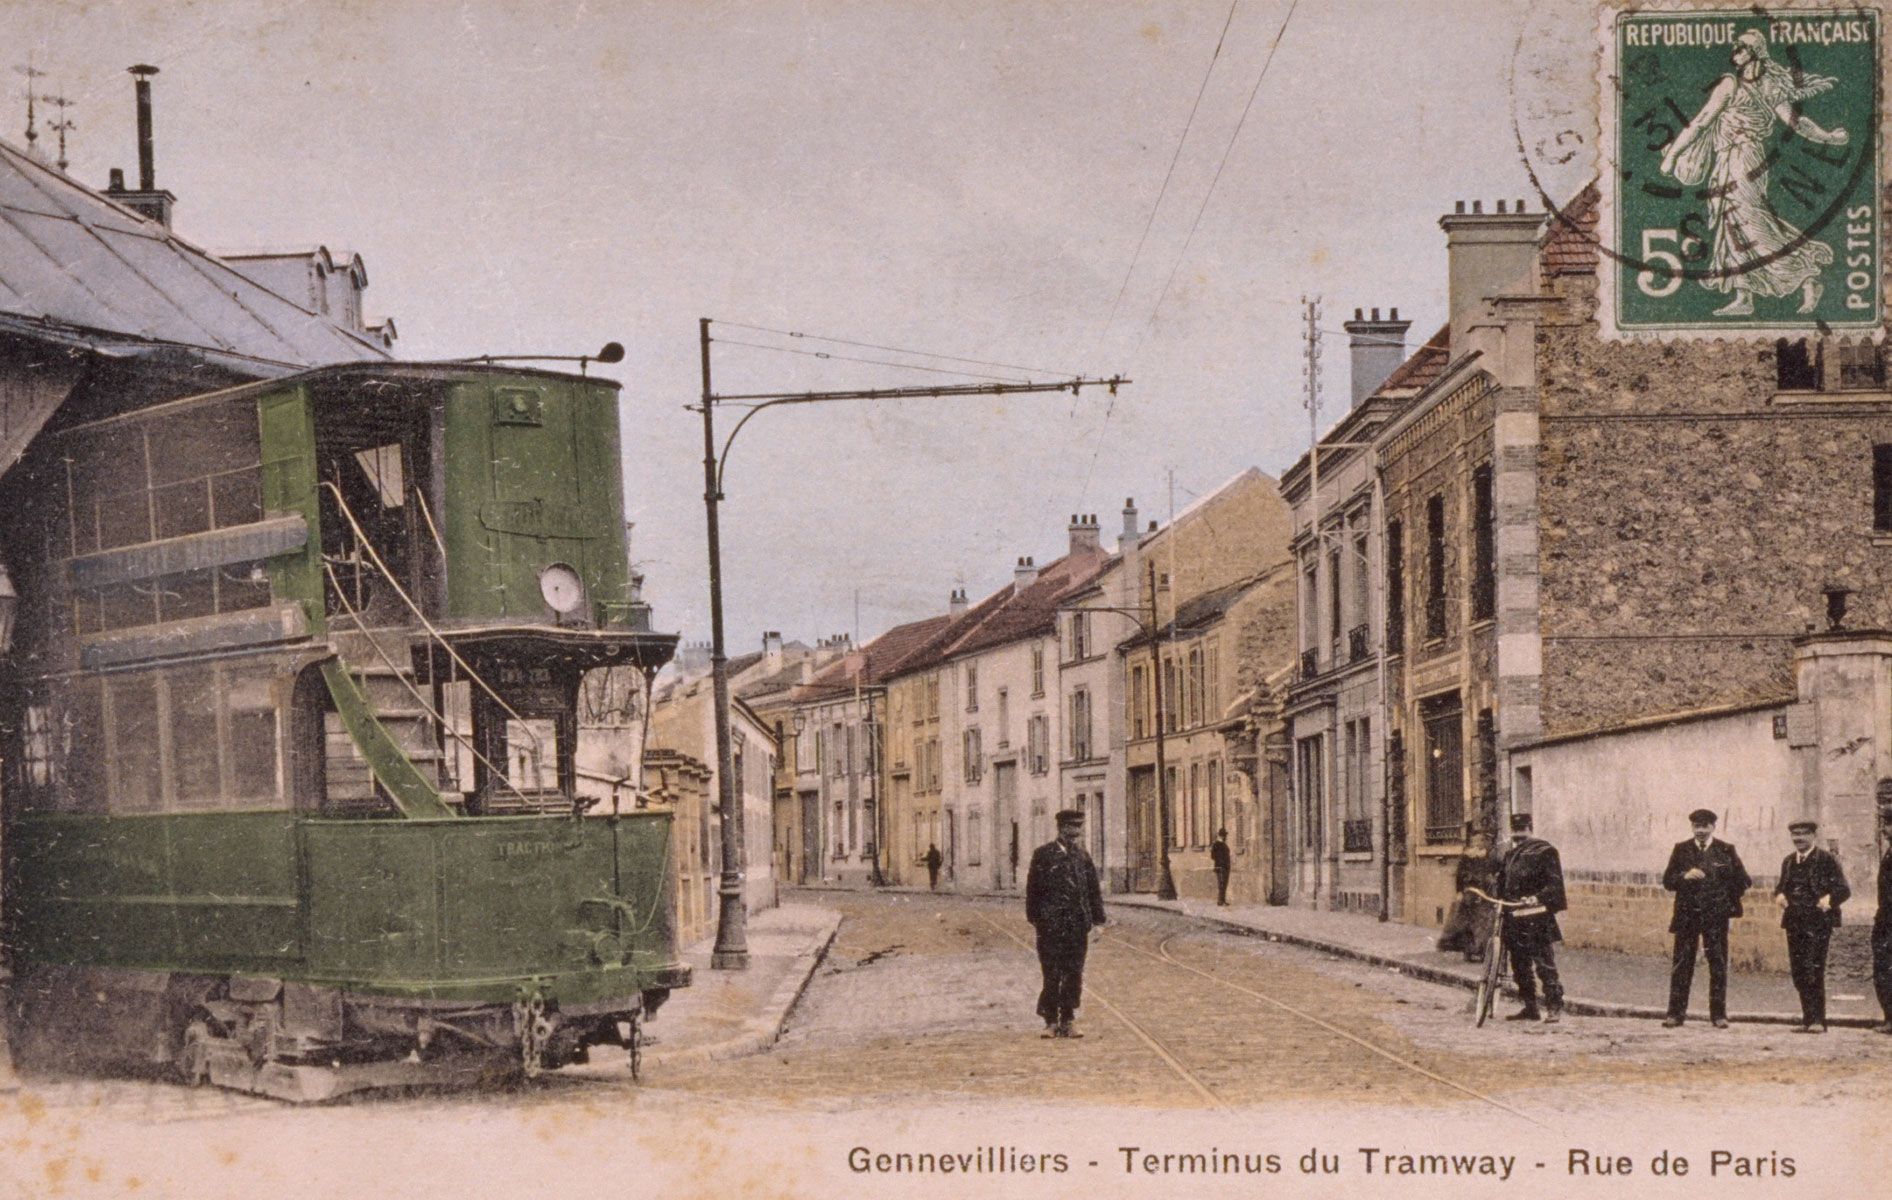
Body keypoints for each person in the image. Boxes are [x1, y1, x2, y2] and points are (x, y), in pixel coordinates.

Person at [1658, 29, 1848, 316]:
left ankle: (1807, 277)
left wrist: (1829, 137)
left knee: (1750, 220)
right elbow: (1701, 123)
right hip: (1726, 160)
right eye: (1735, 48)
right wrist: (1673, 154)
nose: (1735, 52)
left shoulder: (1762, 86)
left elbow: (1797, 122)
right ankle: (1744, 296)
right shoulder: (1729, 83)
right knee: (1730, 223)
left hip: (1745, 160)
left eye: (1741, 47)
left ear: (1755, 52)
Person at [1660, 808, 1752, 1029]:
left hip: (1715, 918)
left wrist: (1723, 898)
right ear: (1692, 827)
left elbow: (1744, 881)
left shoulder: (1726, 850)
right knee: (1682, 964)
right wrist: (1684, 876)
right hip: (1687, 916)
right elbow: (1667, 881)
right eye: (1696, 826)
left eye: (1705, 826)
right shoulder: (1681, 849)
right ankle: (1675, 1014)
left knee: (1718, 964)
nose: (1700, 831)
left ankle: (1719, 1016)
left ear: (1713, 827)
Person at [1025, 808, 1105, 1038]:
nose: (1076, 832)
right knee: (1051, 972)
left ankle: (1068, 1020)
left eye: (1079, 827)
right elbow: (1033, 891)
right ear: (1061, 828)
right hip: (1050, 926)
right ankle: (1050, 1021)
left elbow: (1093, 891)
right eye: (1071, 827)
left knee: (1073, 972)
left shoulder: (1083, 856)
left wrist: (1098, 920)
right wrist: (1038, 919)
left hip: (1077, 926)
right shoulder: (1043, 855)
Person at [1774, 819, 1850, 1033]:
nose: (1798, 838)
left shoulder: (1826, 860)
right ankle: (1807, 1019)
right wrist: (1779, 895)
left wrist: (1827, 902)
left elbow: (1843, 890)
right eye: (1795, 834)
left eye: (1803, 833)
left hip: (1817, 923)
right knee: (1798, 971)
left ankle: (1818, 1020)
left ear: (1813, 836)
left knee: (1813, 969)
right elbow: (1781, 886)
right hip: (1794, 923)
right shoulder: (1788, 861)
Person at [1496, 811, 1567, 1023]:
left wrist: (1537, 898)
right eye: (1515, 835)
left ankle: (1554, 1006)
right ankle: (1530, 1007)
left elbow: (1555, 885)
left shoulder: (1545, 851)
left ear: (1530, 829)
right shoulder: (1509, 856)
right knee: (1519, 966)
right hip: (1514, 918)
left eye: (1522, 834)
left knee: (1544, 965)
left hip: (1537, 918)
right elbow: (1502, 884)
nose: (1518, 839)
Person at [1439, 827, 1499, 963]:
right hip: (1469, 893)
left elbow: (1495, 871)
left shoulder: (1489, 856)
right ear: (1471, 842)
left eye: (1480, 840)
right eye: (1475, 840)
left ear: (1484, 841)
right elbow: (1459, 875)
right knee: (1467, 924)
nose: (1478, 843)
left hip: (1485, 894)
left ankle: (1482, 951)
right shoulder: (1467, 856)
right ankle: (1468, 952)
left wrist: (1492, 881)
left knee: (1483, 924)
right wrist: (1459, 891)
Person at [1872, 785, 1892, 1035]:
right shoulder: (1888, 853)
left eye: (1887, 824)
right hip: (1885, 921)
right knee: (1884, 969)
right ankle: (1889, 1017)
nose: (1885, 830)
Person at [1210, 829, 1232, 906]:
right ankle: (1220, 901)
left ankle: (1223, 900)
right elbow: (1212, 856)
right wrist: (1220, 861)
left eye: (1225, 835)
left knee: (1224, 883)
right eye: (1224, 835)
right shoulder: (1216, 844)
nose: (1225, 837)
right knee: (1221, 884)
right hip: (1220, 867)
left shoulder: (1223, 844)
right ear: (1220, 836)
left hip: (1225, 867)